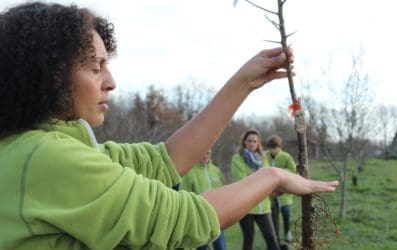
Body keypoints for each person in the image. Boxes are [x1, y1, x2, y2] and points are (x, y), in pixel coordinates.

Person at [0, 2, 338, 249]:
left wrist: (243, 83)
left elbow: (165, 160)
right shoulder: (46, 158)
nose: (111, 81)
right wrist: (272, 176)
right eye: (96, 67)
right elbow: (183, 219)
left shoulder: (38, 149)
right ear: (50, 76)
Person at [231, 129, 280, 250]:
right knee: (249, 239)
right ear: (244, 142)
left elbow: (268, 178)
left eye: (255, 141)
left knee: (271, 238)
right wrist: (261, 181)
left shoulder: (263, 158)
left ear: (258, 143)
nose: (252, 143)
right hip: (245, 206)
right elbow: (242, 182)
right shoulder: (238, 159)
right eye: (249, 141)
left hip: (263, 206)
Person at [181, 150, 226, 250]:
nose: (205, 155)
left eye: (208, 153)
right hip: (200, 218)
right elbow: (184, 195)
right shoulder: (189, 172)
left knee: (220, 247)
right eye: (202, 152)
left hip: (218, 217)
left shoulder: (216, 170)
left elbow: (223, 191)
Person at [265, 135, 297, 243]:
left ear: (279, 147)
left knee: (286, 213)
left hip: (284, 193)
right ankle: (276, 237)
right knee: (273, 217)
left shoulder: (286, 156)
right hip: (271, 193)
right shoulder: (264, 156)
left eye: (275, 148)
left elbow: (293, 170)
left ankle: (287, 233)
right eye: (270, 148)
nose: (272, 150)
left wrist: (280, 173)